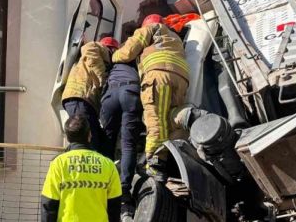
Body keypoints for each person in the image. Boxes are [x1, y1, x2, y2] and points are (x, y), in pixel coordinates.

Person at [112, 14, 189, 178]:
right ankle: (174, 159)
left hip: (158, 76)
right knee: (173, 122)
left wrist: (113, 55)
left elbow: (127, 53)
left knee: (155, 119)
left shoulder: (149, 29)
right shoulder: (175, 37)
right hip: (181, 80)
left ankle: (155, 164)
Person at [40, 115, 122, 222]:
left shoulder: (58, 163)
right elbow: (114, 206)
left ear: (68, 137)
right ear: (89, 135)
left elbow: (49, 204)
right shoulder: (109, 165)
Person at [99, 62, 143, 221]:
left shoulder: (113, 65)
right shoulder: (137, 64)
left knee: (107, 142)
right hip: (130, 92)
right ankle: (124, 189)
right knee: (128, 145)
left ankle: (103, 183)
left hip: (110, 95)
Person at [61, 36, 120, 152]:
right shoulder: (101, 48)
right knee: (88, 140)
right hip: (80, 97)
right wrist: (102, 77)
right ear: (112, 49)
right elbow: (89, 47)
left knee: (97, 136)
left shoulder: (87, 61)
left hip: (81, 100)